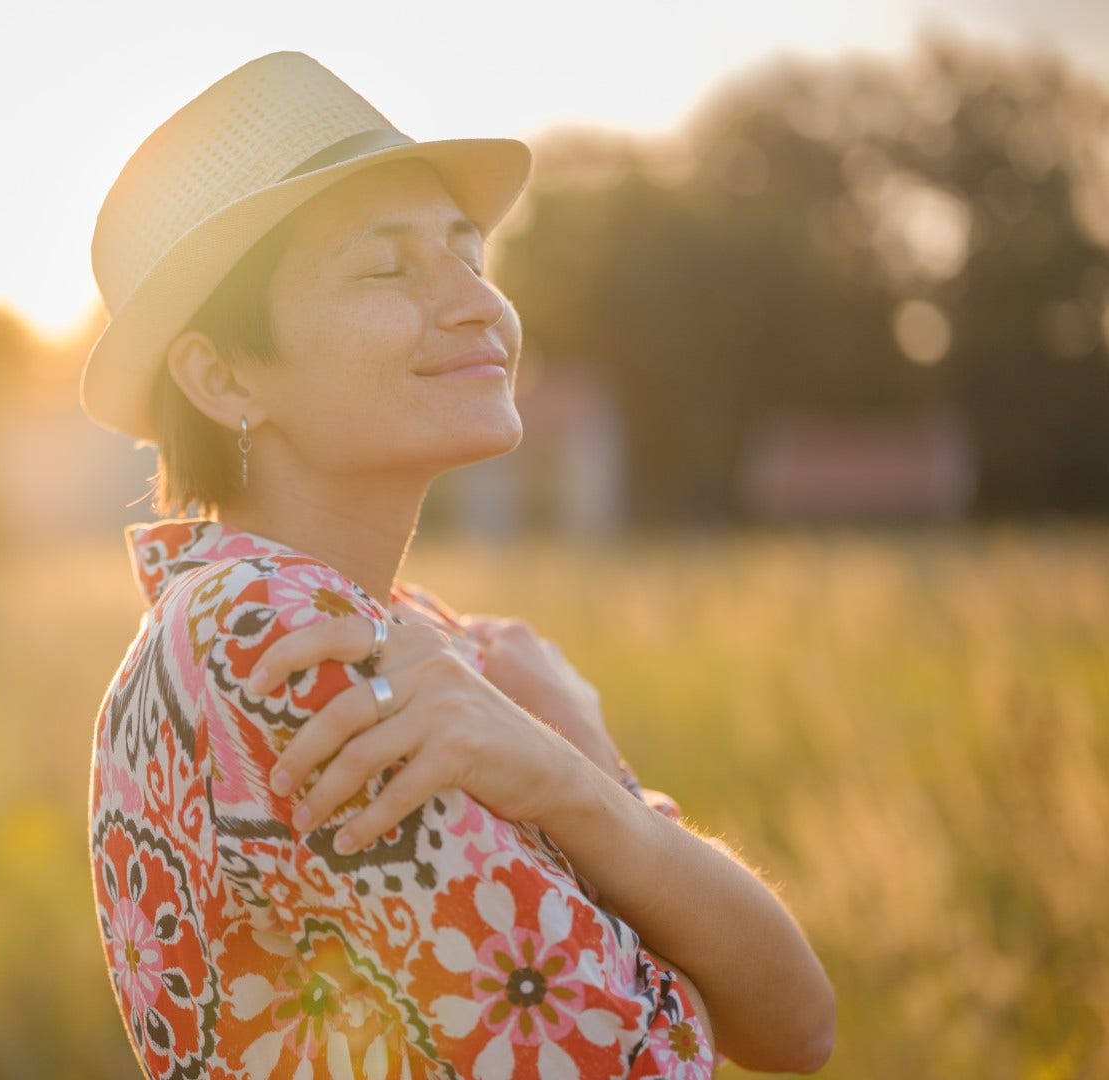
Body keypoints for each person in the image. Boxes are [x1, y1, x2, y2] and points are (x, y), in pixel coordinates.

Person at [83, 51, 835, 1079]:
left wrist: (576, 772)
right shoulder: (278, 636)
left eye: (469, 254)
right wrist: (584, 777)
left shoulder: (392, 635)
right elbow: (659, 1058)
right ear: (223, 375)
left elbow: (793, 1029)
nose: (479, 303)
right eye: (386, 268)